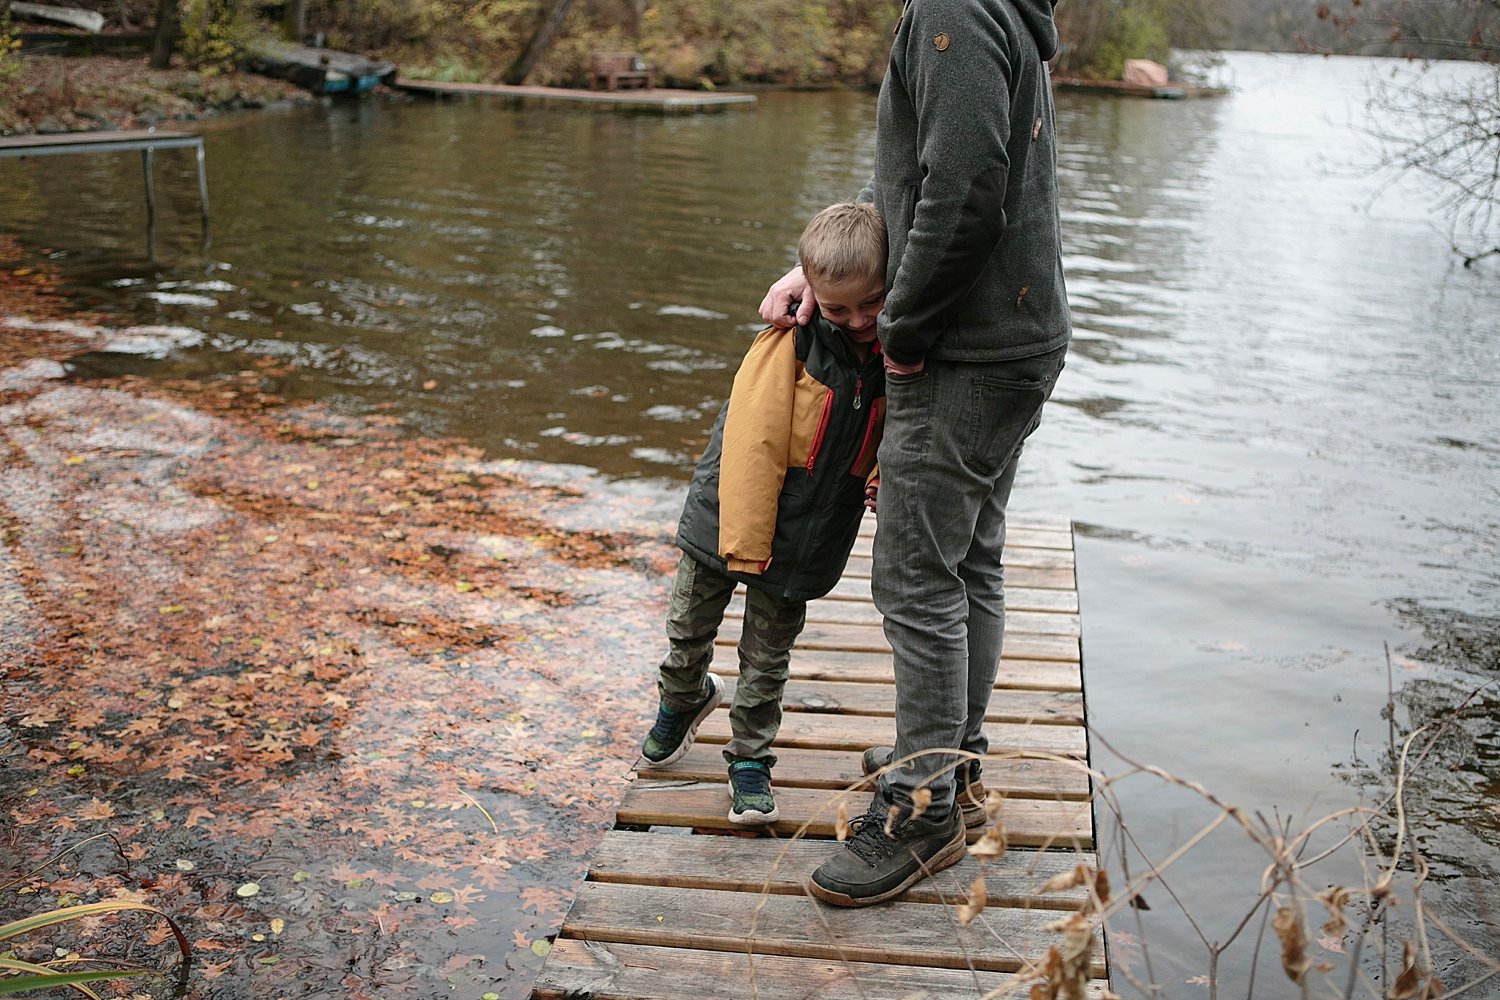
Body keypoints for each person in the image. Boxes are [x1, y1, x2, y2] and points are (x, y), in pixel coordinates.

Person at [759, 0, 1071, 906]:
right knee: (969, 560)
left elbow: (964, 186)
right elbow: (913, 171)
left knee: (916, 576)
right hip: (1013, 333)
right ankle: (951, 758)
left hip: (965, 347)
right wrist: (816, 272)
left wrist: (900, 325)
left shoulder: (954, 9)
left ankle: (923, 808)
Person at [640, 202, 889, 827]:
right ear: (809, 290)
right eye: (839, 309)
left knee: (767, 655)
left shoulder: (897, 356)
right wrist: (745, 541)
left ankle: (749, 758)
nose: (858, 321)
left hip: (812, 532)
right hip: (728, 517)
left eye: (872, 303)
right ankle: (682, 698)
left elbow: (893, 428)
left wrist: (884, 472)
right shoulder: (789, 342)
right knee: (689, 627)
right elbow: (750, 446)